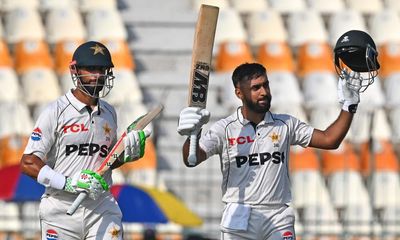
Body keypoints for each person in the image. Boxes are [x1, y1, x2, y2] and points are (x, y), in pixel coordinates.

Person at [177, 30, 379, 240]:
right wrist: (193, 133)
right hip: (239, 214)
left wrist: (349, 106)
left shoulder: (285, 124)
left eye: (265, 85)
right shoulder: (225, 128)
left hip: (278, 216)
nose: (263, 92)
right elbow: (192, 159)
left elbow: (330, 140)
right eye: (255, 88)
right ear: (239, 93)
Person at [20, 41, 150, 239]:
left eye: (101, 69)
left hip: (101, 206)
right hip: (60, 209)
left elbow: (107, 161)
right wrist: (69, 183)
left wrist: (126, 156)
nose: (97, 75)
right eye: (90, 69)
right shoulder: (55, 112)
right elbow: (28, 163)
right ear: (75, 70)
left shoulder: (109, 112)